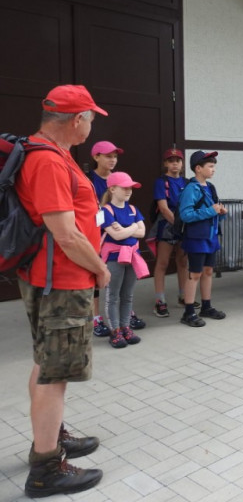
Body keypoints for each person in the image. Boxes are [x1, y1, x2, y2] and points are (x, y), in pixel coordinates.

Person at [16, 84, 107, 497]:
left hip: (53, 277)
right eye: (91, 118)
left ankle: (51, 435)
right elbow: (66, 234)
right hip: (62, 282)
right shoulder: (49, 161)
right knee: (55, 375)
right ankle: (46, 468)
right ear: (77, 119)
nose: (91, 126)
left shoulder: (55, 153)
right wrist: (100, 269)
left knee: (47, 364)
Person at [178, 150, 227, 327]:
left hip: (210, 237)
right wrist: (210, 211)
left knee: (208, 272)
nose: (214, 169)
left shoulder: (210, 187)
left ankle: (206, 306)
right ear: (198, 168)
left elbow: (214, 211)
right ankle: (188, 311)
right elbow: (185, 215)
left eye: (214, 166)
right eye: (210, 166)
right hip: (196, 238)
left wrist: (221, 213)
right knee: (194, 274)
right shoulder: (191, 189)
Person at [99, 172, 148, 348]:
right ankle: (115, 331)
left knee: (127, 295)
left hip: (132, 256)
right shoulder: (105, 211)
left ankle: (125, 327)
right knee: (113, 296)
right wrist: (134, 227)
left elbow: (142, 232)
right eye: (125, 187)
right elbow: (116, 236)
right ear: (112, 189)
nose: (129, 191)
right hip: (114, 258)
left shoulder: (133, 209)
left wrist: (128, 228)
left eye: (130, 188)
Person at [87, 140, 124, 337]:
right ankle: (95, 318)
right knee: (95, 276)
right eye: (108, 156)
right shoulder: (87, 179)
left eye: (115, 156)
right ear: (96, 157)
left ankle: (124, 315)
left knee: (119, 275)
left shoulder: (119, 179)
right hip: (94, 234)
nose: (113, 160)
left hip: (117, 234)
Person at [152, 147, 188, 318]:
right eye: (171, 161)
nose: (175, 164)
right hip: (167, 226)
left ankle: (183, 296)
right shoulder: (161, 182)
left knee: (183, 261)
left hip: (184, 225)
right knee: (163, 263)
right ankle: (160, 301)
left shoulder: (187, 182)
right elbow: (163, 208)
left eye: (178, 160)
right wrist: (179, 224)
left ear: (182, 164)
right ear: (165, 164)